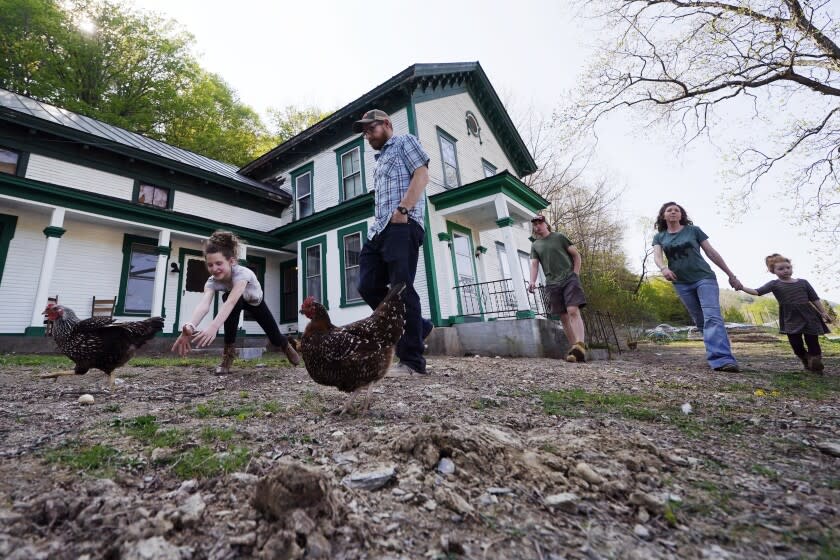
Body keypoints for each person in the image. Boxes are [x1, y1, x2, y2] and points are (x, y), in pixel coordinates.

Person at [352, 109, 433, 376]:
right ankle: (419, 326)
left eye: (371, 129)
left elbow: (421, 175)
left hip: (403, 224)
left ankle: (412, 361)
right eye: (364, 132)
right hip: (379, 230)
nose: (367, 135)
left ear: (386, 124)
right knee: (367, 285)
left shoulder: (404, 142)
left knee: (400, 288)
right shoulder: (380, 160)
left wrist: (404, 209)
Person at [171, 230, 300, 373]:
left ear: (231, 261)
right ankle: (228, 355)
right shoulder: (211, 282)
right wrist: (190, 326)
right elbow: (204, 304)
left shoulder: (242, 274)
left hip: (255, 302)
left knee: (274, 337)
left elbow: (232, 301)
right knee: (227, 299)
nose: (214, 269)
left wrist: (214, 327)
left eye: (219, 263)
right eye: (210, 265)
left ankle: (285, 345)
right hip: (236, 302)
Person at [652, 202, 741, 373]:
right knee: (701, 321)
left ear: (681, 215)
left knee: (712, 317)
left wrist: (731, 275)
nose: (673, 212)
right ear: (663, 216)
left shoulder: (693, 231)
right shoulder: (660, 237)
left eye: (676, 210)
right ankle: (717, 353)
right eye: (669, 210)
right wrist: (664, 268)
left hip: (704, 278)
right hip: (681, 283)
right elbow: (657, 256)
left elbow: (711, 252)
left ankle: (722, 360)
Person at [739, 253, 831, 372]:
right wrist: (741, 287)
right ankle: (806, 358)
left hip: (809, 315)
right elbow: (757, 291)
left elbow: (814, 298)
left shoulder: (803, 282)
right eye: (781, 269)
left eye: (788, 267)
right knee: (796, 344)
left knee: (813, 341)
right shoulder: (774, 284)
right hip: (790, 317)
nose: (786, 270)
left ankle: (815, 361)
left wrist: (823, 312)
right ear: (773, 271)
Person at [528, 214, 588, 363]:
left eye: (540, 223)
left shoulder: (559, 237)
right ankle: (575, 349)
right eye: (535, 224)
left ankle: (580, 345)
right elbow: (534, 264)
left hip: (569, 278)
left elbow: (576, 255)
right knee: (563, 316)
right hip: (552, 283)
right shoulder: (535, 245)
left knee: (573, 310)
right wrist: (532, 281)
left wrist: (575, 274)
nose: (537, 226)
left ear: (546, 224)